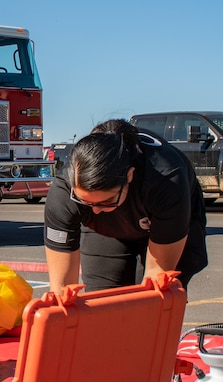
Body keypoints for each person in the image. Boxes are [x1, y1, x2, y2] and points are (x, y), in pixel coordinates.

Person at [43, 118, 208, 292]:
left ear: (129, 176)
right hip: (107, 231)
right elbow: (62, 289)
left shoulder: (166, 180)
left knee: (153, 301)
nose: (97, 210)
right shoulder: (64, 193)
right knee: (102, 302)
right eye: (85, 202)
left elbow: (156, 276)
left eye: (106, 201)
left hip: (163, 219)